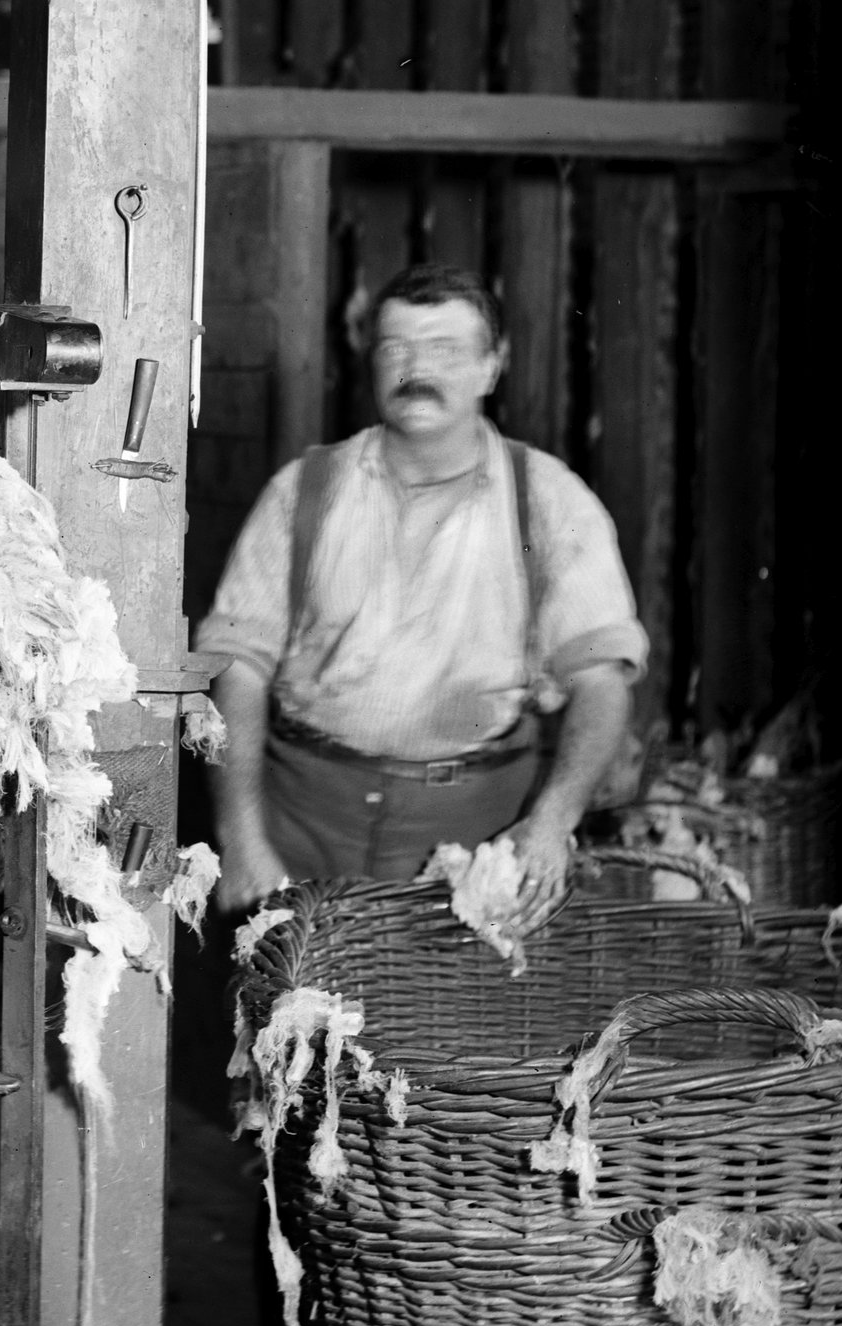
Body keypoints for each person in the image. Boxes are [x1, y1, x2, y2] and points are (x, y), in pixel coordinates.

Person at [201, 263, 647, 913]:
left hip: (475, 839)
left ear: (493, 366)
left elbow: (602, 682)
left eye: (445, 349)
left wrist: (552, 822)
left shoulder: (549, 501)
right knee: (284, 1013)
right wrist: (240, 837)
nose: (417, 367)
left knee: (450, 1018)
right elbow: (236, 669)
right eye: (397, 347)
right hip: (300, 830)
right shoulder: (304, 491)